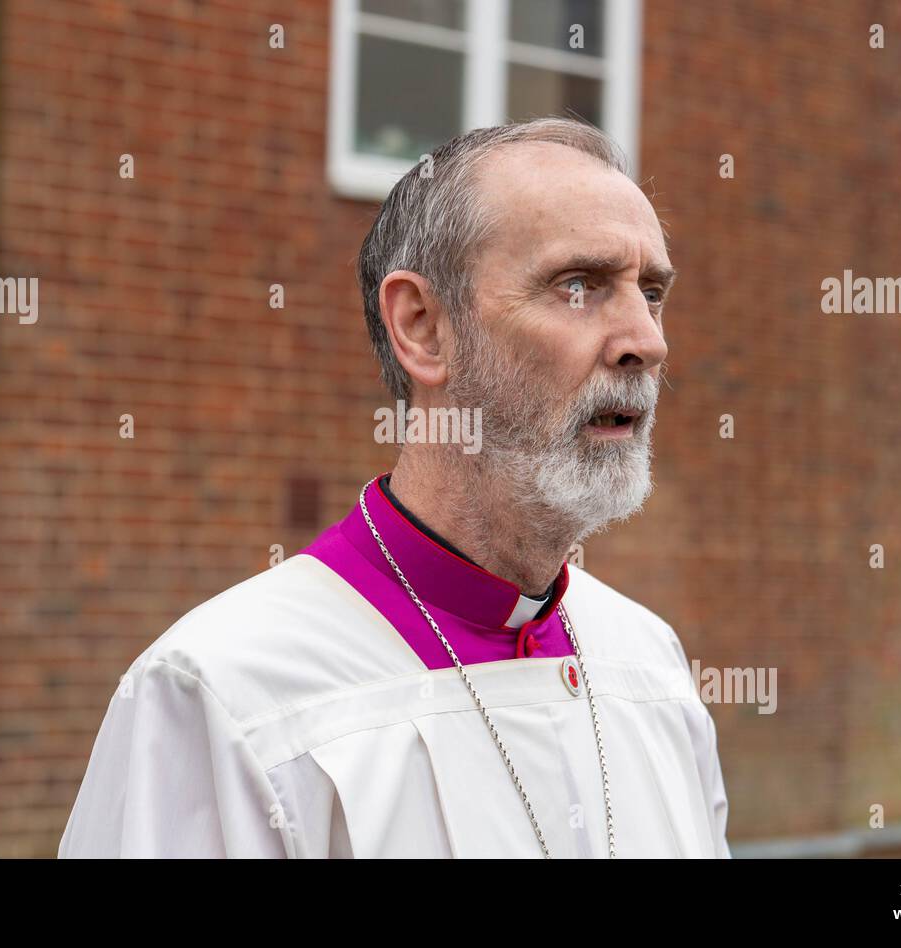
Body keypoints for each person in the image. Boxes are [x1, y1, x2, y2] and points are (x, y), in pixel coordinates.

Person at [59, 117, 731, 858]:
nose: (648, 340)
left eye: (653, 291)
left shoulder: (652, 665)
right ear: (422, 328)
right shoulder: (224, 697)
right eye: (580, 286)